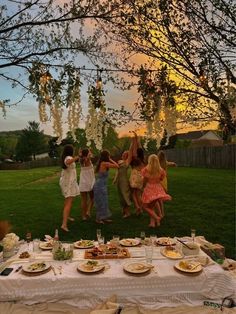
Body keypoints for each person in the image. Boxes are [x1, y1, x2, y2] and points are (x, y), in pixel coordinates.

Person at [141, 154, 172, 228]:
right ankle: (153, 223)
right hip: (158, 189)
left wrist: (142, 187)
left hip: (149, 189)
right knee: (151, 206)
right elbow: (161, 179)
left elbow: (144, 181)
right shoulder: (161, 171)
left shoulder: (146, 170)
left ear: (149, 161)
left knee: (145, 206)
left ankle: (157, 217)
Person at [93, 150, 119, 224]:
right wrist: (110, 159)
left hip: (101, 184)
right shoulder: (104, 163)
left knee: (104, 202)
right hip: (100, 185)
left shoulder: (101, 163)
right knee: (101, 202)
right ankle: (98, 219)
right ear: (107, 156)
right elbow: (117, 166)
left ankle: (103, 218)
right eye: (108, 155)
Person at [60, 144, 80, 232]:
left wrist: (77, 157)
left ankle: (67, 217)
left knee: (68, 200)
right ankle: (64, 225)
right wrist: (77, 157)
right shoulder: (68, 157)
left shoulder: (66, 157)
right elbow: (68, 162)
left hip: (68, 181)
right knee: (69, 201)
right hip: (68, 183)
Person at [129, 133, 146, 215]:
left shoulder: (135, 158)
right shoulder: (142, 159)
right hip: (141, 177)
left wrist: (134, 140)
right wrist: (138, 140)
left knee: (133, 193)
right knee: (138, 194)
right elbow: (140, 148)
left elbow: (134, 149)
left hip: (135, 176)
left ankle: (138, 207)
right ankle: (141, 208)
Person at [113, 149, 133, 218]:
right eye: (123, 154)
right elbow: (117, 171)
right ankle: (124, 209)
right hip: (119, 180)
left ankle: (127, 212)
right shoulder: (119, 161)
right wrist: (115, 179)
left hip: (124, 181)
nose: (123, 155)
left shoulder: (127, 162)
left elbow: (131, 154)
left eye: (125, 154)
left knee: (125, 196)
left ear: (127, 156)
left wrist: (133, 140)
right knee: (121, 195)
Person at [78, 148, 95, 221]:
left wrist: (81, 153)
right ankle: (88, 211)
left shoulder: (81, 160)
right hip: (90, 182)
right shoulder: (88, 160)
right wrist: (89, 151)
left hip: (83, 182)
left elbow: (87, 156)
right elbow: (90, 156)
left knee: (83, 200)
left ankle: (84, 216)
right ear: (87, 154)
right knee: (92, 198)